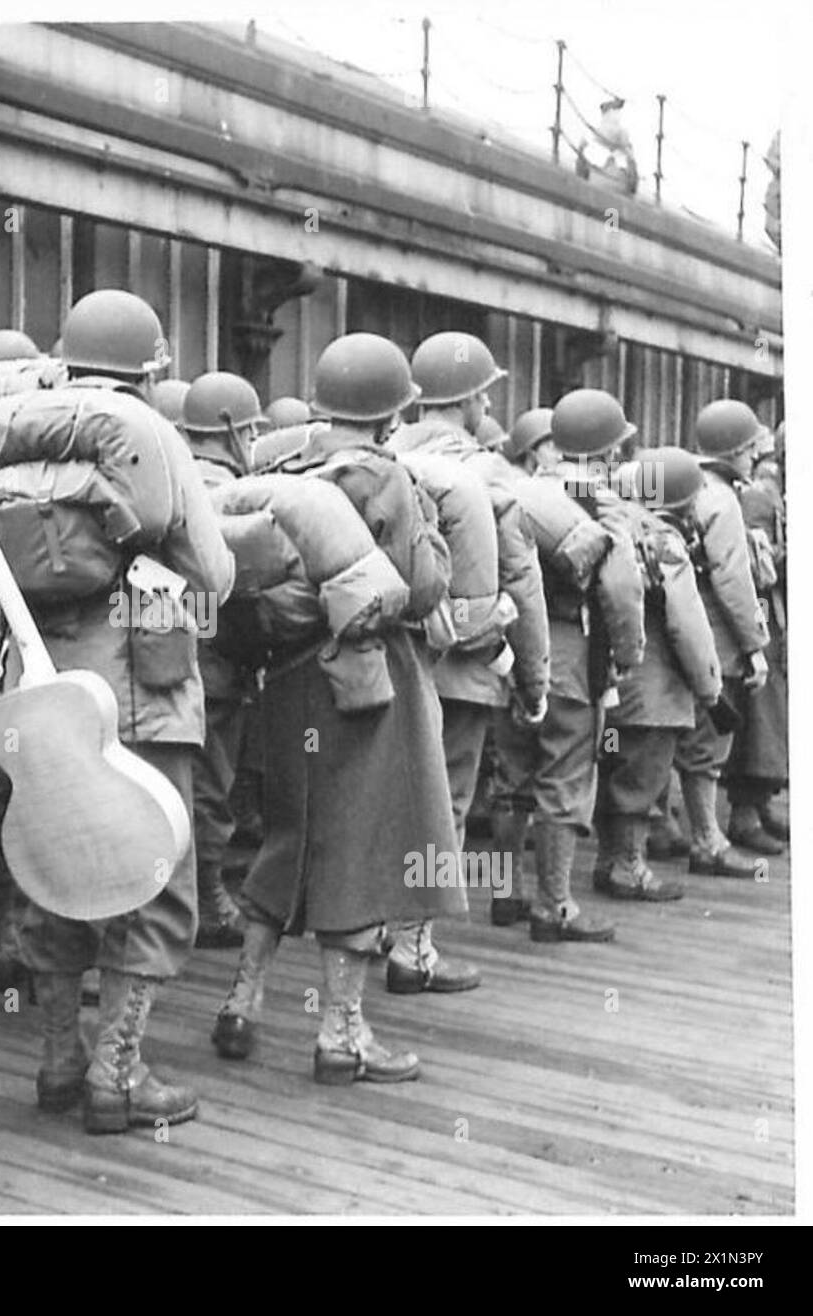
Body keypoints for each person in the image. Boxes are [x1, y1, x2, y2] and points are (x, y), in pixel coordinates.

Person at [0, 290, 235, 1133]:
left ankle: (58, 1059)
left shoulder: (5, 430)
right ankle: (117, 1074)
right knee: (151, 878)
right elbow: (211, 574)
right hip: (142, 696)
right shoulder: (147, 436)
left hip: (38, 689)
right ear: (152, 367)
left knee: (52, 867)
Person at [212, 332, 459, 1082]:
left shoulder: (286, 466)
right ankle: (342, 1035)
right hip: (366, 685)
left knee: (290, 838)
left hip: (288, 681)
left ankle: (242, 1001)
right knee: (365, 847)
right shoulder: (384, 476)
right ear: (391, 413)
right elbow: (421, 586)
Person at [387, 332, 549, 984]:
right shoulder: (489, 476)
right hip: (461, 672)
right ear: (475, 398)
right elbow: (522, 583)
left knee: (381, 798)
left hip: (382, 661)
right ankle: (413, 948)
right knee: (441, 806)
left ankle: (374, 932)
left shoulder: (376, 455)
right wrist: (533, 680)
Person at [490, 388, 645, 941]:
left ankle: (505, 894)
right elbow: (622, 589)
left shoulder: (519, 489)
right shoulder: (598, 502)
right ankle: (553, 907)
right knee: (565, 777)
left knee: (512, 776)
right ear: (605, 451)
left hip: (513, 650)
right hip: (573, 657)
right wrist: (627, 659)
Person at [593, 448, 721, 899]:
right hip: (656, 689)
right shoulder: (665, 541)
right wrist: (709, 687)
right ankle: (628, 866)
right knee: (642, 777)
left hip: (611, 686)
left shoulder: (609, 524)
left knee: (613, 767)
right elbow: (687, 625)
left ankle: (610, 858)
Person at [179, 371, 266, 948]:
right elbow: (243, 591)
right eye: (252, 430)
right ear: (233, 429)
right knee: (210, 782)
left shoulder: (167, 477)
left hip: (152, 657)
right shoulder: (236, 495)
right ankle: (207, 898)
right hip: (214, 665)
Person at [672, 400, 772, 876]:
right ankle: (707, 839)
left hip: (674, 635)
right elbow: (734, 581)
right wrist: (754, 646)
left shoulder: (681, 486)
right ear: (732, 449)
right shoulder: (723, 501)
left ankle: (663, 825)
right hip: (714, 639)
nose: (754, 455)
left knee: (668, 735)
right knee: (709, 743)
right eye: (750, 446)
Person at [723, 426, 787, 852]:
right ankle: (743, 814)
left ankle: (759, 804)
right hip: (760, 618)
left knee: (774, 719)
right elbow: (752, 564)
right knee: (759, 721)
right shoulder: (760, 496)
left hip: (776, 621)